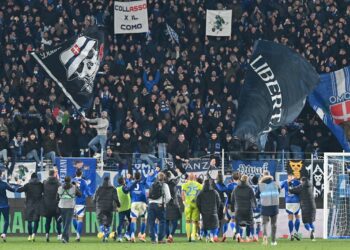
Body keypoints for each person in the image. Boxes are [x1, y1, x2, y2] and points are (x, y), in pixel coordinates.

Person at [17, 173, 44, 242]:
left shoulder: (27, 185)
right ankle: (34, 234)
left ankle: (29, 235)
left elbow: (18, 190)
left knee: (29, 221)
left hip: (29, 205)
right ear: (37, 178)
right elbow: (46, 192)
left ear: (31, 178)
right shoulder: (41, 185)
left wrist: (18, 185)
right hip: (38, 205)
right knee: (36, 221)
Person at [289, 177, 316, 241]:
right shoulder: (311, 186)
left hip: (305, 207)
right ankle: (313, 237)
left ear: (302, 181)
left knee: (306, 222)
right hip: (313, 206)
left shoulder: (301, 186)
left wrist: (290, 185)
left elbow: (292, 190)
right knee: (311, 222)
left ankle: (310, 230)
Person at [257, 171, 280, 246]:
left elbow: (256, 195)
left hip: (265, 206)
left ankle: (265, 236)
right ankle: (273, 241)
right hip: (274, 206)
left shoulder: (260, 185)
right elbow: (278, 191)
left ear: (263, 176)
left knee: (264, 224)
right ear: (270, 175)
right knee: (274, 224)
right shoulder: (275, 183)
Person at [94, 176, 120, 242]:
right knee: (108, 223)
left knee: (101, 222)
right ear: (110, 181)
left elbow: (94, 198)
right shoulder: (113, 189)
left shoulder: (99, 188)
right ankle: (106, 236)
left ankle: (103, 233)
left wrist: (94, 203)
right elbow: (116, 198)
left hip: (100, 207)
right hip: (109, 208)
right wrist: (118, 205)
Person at [124, 171, 148, 242]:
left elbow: (127, 188)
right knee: (144, 219)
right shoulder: (143, 182)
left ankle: (132, 236)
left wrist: (128, 179)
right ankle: (142, 235)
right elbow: (148, 182)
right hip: (143, 203)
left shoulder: (131, 183)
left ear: (134, 177)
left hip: (134, 203)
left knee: (133, 219)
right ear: (140, 177)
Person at [148, 172, 171, 244]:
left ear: (157, 177)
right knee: (162, 221)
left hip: (151, 204)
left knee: (151, 222)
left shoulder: (152, 184)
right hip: (159, 205)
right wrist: (164, 203)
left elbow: (149, 195)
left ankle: (153, 239)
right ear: (164, 178)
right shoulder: (165, 185)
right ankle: (160, 239)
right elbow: (168, 197)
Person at [231, 175, 257, 243]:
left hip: (238, 209)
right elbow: (253, 199)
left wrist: (232, 209)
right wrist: (255, 206)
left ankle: (238, 235)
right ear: (247, 180)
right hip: (247, 209)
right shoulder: (249, 188)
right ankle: (248, 237)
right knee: (248, 223)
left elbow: (232, 199)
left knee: (237, 223)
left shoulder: (236, 188)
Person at [72, 166, 93, 242]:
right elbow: (88, 191)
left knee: (74, 218)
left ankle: (77, 232)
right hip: (81, 202)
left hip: (72, 202)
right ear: (81, 173)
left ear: (75, 173)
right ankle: (78, 234)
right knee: (80, 219)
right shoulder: (84, 182)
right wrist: (91, 196)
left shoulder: (72, 181)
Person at [197, 178, 221, 243]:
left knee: (205, 225)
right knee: (216, 225)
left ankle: (207, 236)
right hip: (213, 211)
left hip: (204, 212)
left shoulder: (200, 193)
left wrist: (201, 210)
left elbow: (197, 203)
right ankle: (212, 236)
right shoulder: (215, 192)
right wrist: (216, 209)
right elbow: (219, 201)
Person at [58, 176, 81, 243]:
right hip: (70, 206)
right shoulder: (73, 187)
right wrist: (76, 186)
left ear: (64, 180)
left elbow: (57, 197)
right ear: (70, 180)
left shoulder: (60, 187)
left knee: (65, 223)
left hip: (62, 206)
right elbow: (80, 195)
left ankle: (66, 239)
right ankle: (63, 237)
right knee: (67, 224)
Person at [181, 173, 202, 242]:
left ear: (188, 178)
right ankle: (193, 236)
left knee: (187, 221)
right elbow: (200, 194)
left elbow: (183, 194)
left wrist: (184, 202)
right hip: (195, 204)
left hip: (188, 204)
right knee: (194, 221)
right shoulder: (199, 185)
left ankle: (188, 236)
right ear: (195, 178)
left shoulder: (185, 184)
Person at [280, 174, 301, 240]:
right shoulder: (297, 182)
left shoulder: (284, 182)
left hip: (288, 202)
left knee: (290, 218)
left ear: (288, 176)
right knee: (297, 217)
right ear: (293, 176)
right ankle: (296, 233)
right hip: (296, 201)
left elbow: (279, 187)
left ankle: (291, 234)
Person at [43, 169, 62, 242]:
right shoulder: (58, 183)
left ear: (48, 174)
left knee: (48, 221)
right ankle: (59, 235)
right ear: (54, 174)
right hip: (56, 204)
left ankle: (47, 234)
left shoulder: (45, 183)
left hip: (47, 204)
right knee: (58, 221)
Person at [222, 171, 240, 241]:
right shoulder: (240, 186)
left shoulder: (229, 186)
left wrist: (224, 206)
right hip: (238, 206)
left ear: (232, 178)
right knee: (235, 221)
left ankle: (224, 234)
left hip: (229, 206)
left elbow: (228, 197)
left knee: (226, 220)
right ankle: (236, 232)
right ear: (239, 178)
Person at [165, 169, 181, 243]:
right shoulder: (173, 183)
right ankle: (171, 235)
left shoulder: (164, 184)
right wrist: (175, 172)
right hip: (174, 204)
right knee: (175, 221)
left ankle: (167, 236)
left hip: (166, 204)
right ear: (171, 176)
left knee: (166, 221)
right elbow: (178, 178)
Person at [0, 168, 16, 242]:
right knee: (6, 220)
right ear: (1, 175)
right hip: (5, 205)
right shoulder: (4, 184)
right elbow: (13, 190)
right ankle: (4, 233)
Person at [114, 176, 131, 242]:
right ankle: (127, 234)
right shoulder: (124, 187)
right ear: (123, 181)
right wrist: (128, 180)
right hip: (127, 207)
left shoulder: (117, 188)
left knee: (120, 223)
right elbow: (128, 189)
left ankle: (119, 237)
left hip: (120, 208)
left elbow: (115, 198)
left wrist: (116, 206)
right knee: (131, 221)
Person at [251, 175, 262, 242]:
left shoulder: (250, 187)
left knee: (251, 223)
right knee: (258, 223)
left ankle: (252, 236)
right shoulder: (260, 187)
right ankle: (257, 236)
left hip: (251, 207)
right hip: (258, 207)